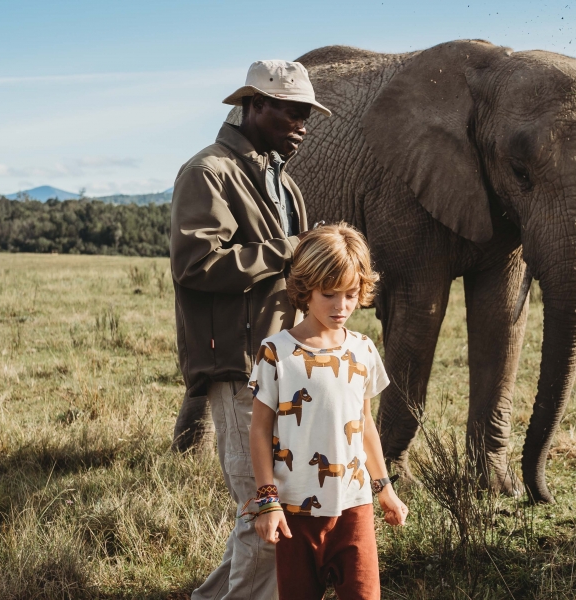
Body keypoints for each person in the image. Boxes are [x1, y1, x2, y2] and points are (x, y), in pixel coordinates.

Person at [169, 60, 331, 600]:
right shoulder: (209, 172)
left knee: (265, 509)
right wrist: (291, 249)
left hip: (282, 361)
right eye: (294, 111)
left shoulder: (282, 179)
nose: (305, 123)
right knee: (267, 513)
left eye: (308, 112)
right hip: (238, 364)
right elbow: (196, 264)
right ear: (256, 105)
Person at [245, 223, 408, 600]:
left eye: (351, 294)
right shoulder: (276, 352)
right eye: (329, 294)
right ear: (305, 288)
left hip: (354, 509)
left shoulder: (363, 350)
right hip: (293, 513)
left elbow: (364, 422)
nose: (341, 307)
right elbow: (258, 430)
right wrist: (268, 501)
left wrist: (384, 488)